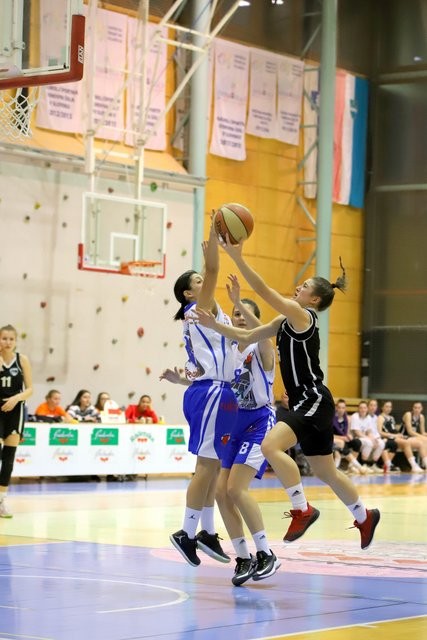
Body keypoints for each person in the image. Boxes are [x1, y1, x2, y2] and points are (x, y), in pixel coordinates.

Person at [196, 243, 380, 551]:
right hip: (305, 403)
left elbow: (266, 292)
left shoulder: (302, 315)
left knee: (270, 445)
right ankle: (364, 516)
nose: (299, 287)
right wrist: (214, 323)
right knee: (325, 471)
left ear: (315, 299)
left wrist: (239, 257)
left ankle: (301, 509)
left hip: (314, 398)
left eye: (305, 286)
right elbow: (246, 336)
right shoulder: (283, 323)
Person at [163, 275, 280, 585]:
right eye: (236, 313)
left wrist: (241, 301)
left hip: (258, 422)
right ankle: (242, 557)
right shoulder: (231, 348)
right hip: (232, 420)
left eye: (244, 314)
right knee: (219, 489)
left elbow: (264, 333)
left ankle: (266, 552)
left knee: (234, 489)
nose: (239, 317)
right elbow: (212, 375)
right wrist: (184, 381)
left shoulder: (261, 346)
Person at [164, 219, 239, 567]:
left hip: (214, 391)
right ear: (189, 295)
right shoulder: (198, 308)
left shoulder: (208, 314)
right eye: (196, 282)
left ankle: (207, 531)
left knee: (211, 466)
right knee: (206, 468)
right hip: (209, 392)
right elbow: (212, 270)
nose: (203, 281)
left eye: (200, 279)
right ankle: (186, 532)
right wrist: (214, 238)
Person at [0, 324, 33, 518]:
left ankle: (2, 500)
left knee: (9, 458)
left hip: (15, 410)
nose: (8, 342)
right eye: (4, 338)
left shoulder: (22, 360)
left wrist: (15, 399)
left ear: (16, 341)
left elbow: (30, 389)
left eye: (11, 339)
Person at [378, 401, 426, 473]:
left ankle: (425, 463)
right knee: (407, 442)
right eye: (386, 406)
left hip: (399, 436)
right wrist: (394, 435)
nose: (388, 408)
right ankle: (414, 465)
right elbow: (380, 432)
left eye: (390, 407)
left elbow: (394, 429)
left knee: (421, 444)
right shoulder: (380, 417)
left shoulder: (391, 417)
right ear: (382, 408)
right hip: (394, 437)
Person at [332, 399, 365, 474]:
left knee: (357, 442)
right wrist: (342, 438)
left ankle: (351, 466)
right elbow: (329, 435)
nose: (341, 409)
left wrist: (349, 435)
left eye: (343, 407)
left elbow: (347, 432)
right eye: (339, 407)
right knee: (341, 445)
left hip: (344, 439)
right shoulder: (332, 418)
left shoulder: (347, 419)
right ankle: (358, 466)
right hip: (335, 439)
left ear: (345, 408)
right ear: (336, 408)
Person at [350, 401, 384, 473]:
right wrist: (369, 439)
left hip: (364, 437)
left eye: (364, 408)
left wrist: (374, 439)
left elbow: (369, 431)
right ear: (358, 409)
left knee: (381, 443)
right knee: (369, 443)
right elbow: (357, 432)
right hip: (356, 438)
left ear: (367, 409)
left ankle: (373, 464)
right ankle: (363, 464)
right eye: (361, 408)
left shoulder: (368, 417)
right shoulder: (355, 416)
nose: (363, 410)